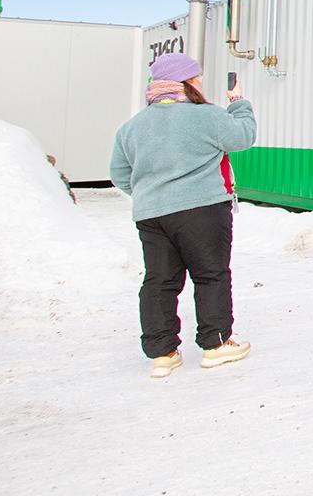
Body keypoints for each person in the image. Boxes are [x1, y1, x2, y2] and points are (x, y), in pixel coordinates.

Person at [108, 52, 257, 379]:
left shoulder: (131, 128)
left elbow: (119, 173)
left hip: (152, 216)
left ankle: (162, 353)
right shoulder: (206, 116)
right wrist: (240, 103)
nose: (200, 83)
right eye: (197, 78)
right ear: (186, 82)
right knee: (210, 273)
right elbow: (243, 136)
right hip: (202, 210)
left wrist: (151, 194)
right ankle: (216, 344)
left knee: (159, 280)